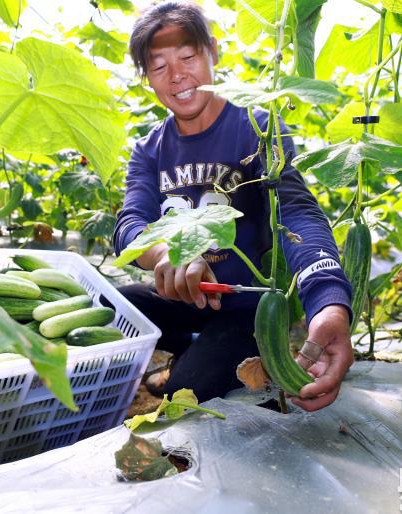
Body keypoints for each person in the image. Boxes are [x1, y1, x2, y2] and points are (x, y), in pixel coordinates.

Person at [111, 1, 354, 411]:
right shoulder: (149, 149)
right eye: (158, 66)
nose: (177, 75)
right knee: (109, 307)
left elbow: (296, 212)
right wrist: (165, 252)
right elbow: (128, 225)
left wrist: (329, 299)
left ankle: (201, 360)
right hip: (184, 297)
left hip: (246, 307)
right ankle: (195, 348)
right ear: (146, 78)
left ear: (213, 52)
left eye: (188, 56)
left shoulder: (256, 126)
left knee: (183, 390)